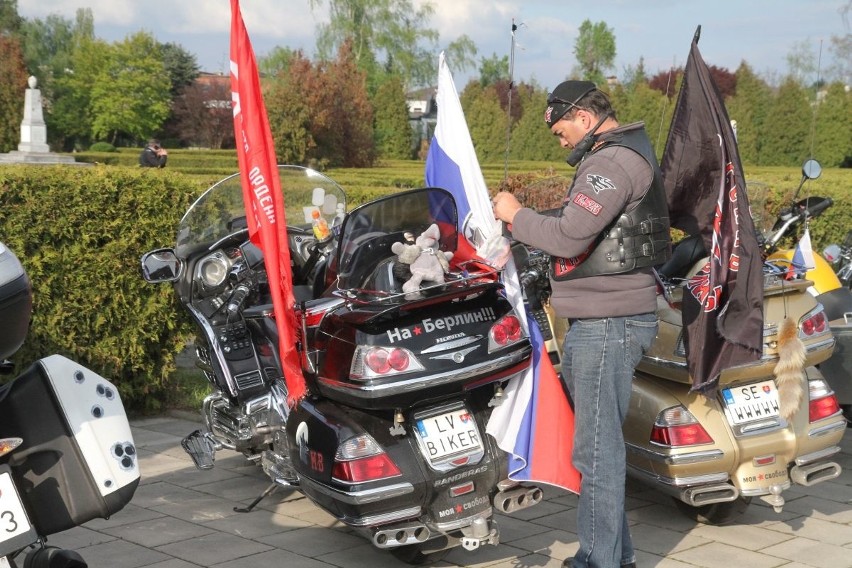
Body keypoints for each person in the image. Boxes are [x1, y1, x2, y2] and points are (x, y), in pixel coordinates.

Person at [492, 80, 671, 568]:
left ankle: (597, 561)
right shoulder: (622, 154)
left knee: (595, 453)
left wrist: (515, 216)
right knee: (600, 446)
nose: (561, 140)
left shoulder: (610, 163)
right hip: (607, 319)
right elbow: (585, 224)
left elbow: (570, 236)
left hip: (608, 324)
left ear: (584, 118)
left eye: (561, 130)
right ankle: (618, 557)